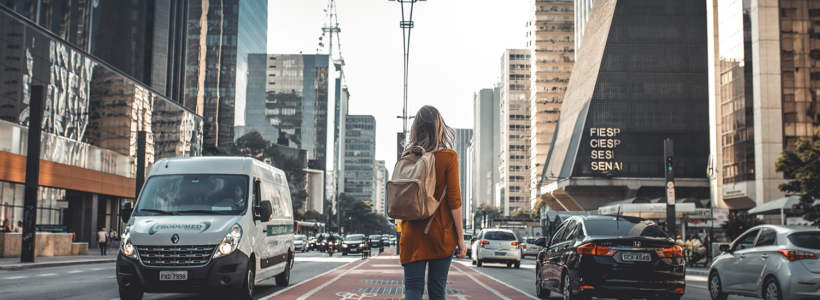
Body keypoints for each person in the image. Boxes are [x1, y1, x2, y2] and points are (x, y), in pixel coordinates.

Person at [400, 106, 465, 300]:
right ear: (439, 127)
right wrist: (461, 239)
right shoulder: (449, 156)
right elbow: (454, 201)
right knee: (437, 291)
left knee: (412, 288)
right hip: (441, 234)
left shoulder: (408, 157)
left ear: (416, 128)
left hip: (412, 233)